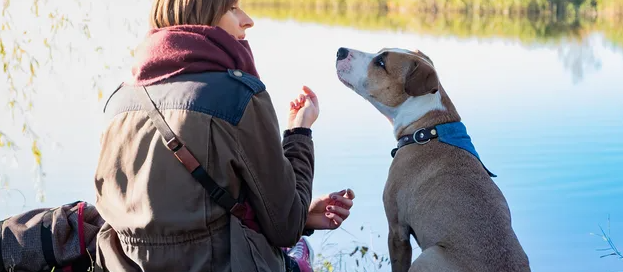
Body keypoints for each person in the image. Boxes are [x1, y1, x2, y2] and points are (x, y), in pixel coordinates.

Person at [92, 0, 355, 271]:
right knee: (299, 254)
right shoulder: (238, 96)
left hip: (123, 266)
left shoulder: (118, 101)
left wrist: (304, 214)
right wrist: (299, 132)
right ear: (201, 16)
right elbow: (286, 227)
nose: (247, 20)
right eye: (232, 9)